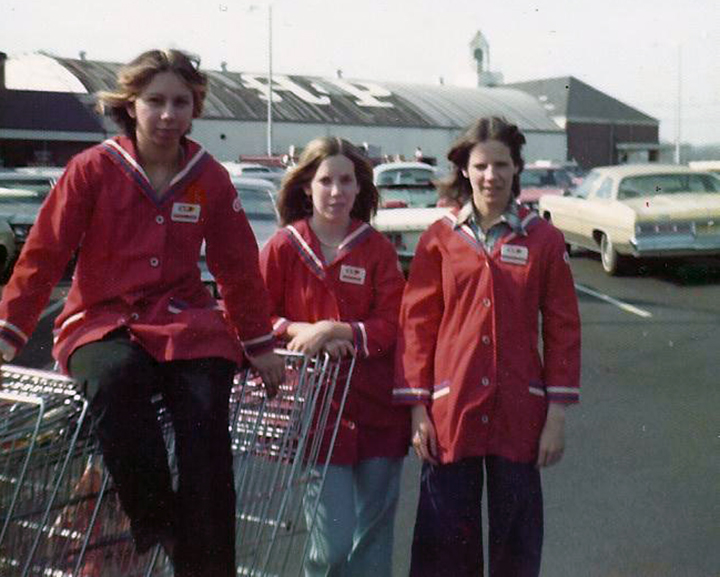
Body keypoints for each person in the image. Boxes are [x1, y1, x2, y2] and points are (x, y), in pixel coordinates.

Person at [0, 49, 285, 577]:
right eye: (155, 101)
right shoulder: (93, 169)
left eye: (181, 102)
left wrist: (259, 344)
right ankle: (160, 522)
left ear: (194, 109)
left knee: (205, 416)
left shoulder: (210, 179)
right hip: (101, 323)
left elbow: (239, 268)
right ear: (130, 106)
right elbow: (43, 255)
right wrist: (8, 333)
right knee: (115, 378)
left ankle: (207, 566)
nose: (168, 114)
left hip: (184, 325)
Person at [393, 117, 581, 577]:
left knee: (516, 538)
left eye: (501, 165)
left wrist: (556, 414)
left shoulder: (544, 240)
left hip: (519, 411)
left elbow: (562, 328)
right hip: (451, 409)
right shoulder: (439, 238)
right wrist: (418, 408)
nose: (490, 176)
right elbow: (417, 324)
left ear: (517, 169)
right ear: (465, 170)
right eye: (480, 166)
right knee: (444, 536)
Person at [258, 137, 410, 577]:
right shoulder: (285, 247)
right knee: (332, 544)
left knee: (374, 540)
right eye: (326, 180)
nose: (337, 191)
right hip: (316, 414)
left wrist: (338, 330)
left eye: (347, 180)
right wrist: (300, 330)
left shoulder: (376, 248)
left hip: (379, 412)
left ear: (360, 188)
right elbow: (249, 317)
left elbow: (394, 322)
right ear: (307, 186)